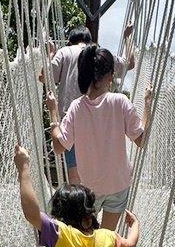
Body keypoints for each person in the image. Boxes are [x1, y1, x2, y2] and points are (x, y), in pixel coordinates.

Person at [46, 45, 152, 231]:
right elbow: (141, 140)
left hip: (89, 189)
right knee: (107, 240)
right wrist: (147, 106)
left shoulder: (76, 108)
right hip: (118, 184)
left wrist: (53, 112)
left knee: (88, 238)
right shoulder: (121, 102)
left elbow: (59, 146)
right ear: (111, 75)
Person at [42, 23, 136, 185]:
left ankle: (80, 207)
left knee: (75, 178)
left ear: (71, 42)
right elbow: (130, 63)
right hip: (101, 121)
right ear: (89, 41)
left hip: (71, 121)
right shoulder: (99, 55)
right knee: (100, 175)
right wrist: (127, 36)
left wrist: (51, 53)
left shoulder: (64, 53)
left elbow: (43, 76)